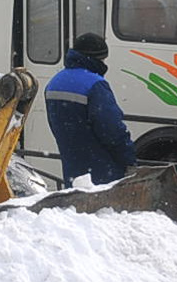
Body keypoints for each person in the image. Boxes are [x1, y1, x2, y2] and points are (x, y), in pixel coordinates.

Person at [44, 32, 136, 186]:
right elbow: (112, 130)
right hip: (103, 172)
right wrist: (129, 159)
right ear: (96, 59)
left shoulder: (54, 82)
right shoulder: (95, 85)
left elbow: (55, 125)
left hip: (73, 169)